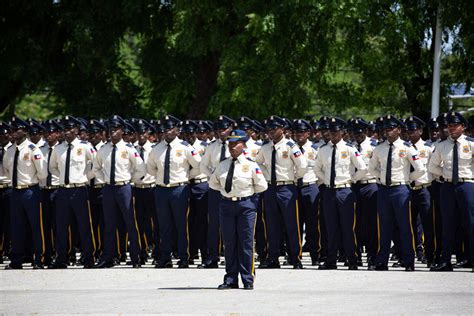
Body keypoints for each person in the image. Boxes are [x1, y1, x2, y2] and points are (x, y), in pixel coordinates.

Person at [209, 129, 267, 289]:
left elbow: (262, 186)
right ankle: (231, 278)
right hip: (227, 205)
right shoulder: (222, 165)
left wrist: (248, 198)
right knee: (229, 242)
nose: (232, 147)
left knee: (246, 242)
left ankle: (248, 278)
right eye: (230, 144)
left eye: (236, 144)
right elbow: (213, 183)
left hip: (245, 206)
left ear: (243, 145)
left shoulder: (251, 165)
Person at [368, 115, 425, 271]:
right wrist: (380, 178)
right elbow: (371, 168)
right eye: (386, 129)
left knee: (405, 226)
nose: (388, 132)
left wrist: (407, 179)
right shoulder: (379, 148)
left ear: (399, 130)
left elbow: (420, 169)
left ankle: (409, 261)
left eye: (391, 128)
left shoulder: (407, 147)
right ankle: (382, 261)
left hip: (401, 190)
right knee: (384, 227)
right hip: (384, 189)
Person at [147, 115, 201, 268]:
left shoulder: (185, 147)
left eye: (171, 128)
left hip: (179, 189)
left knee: (181, 225)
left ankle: (184, 257)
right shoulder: (156, 149)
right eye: (165, 129)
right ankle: (165, 257)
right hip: (161, 190)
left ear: (177, 130)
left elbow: (198, 166)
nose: (167, 131)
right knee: (164, 225)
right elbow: (151, 168)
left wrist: (186, 176)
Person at [93, 115, 146, 268]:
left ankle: (136, 258)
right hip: (109, 188)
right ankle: (108, 258)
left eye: (115, 129)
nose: (112, 132)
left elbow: (140, 168)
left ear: (122, 131)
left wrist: (130, 180)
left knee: (130, 223)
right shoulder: (104, 149)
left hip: (124, 188)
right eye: (110, 129)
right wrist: (104, 180)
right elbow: (96, 168)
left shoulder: (129, 149)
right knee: (109, 224)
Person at [314, 117, 367, 270]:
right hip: (329, 191)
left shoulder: (349, 149)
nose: (334, 134)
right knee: (331, 227)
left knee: (347, 227)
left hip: (345, 190)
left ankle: (352, 259)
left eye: (337, 131)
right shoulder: (323, 150)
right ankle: (331, 260)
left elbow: (362, 168)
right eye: (331, 131)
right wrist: (326, 181)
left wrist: (351, 180)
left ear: (343, 132)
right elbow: (317, 169)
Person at [256, 115, 307, 269]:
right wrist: (265, 174)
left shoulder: (290, 146)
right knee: (271, 224)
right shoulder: (265, 147)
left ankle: (295, 258)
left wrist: (294, 178)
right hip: (270, 188)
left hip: (287, 188)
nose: (271, 132)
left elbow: (302, 165)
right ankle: (273, 258)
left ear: (282, 129)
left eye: (274, 129)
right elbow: (257, 163)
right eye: (269, 129)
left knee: (292, 223)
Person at [49, 116, 96, 269]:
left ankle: (89, 258)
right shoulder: (58, 148)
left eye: (69, 129)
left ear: (76, 131)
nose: (66, 132)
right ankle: (61, 258)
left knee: (84, 225)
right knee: (61, 225)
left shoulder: (85, 146)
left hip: (80, 189)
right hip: (63, 190)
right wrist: (61, 178)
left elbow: (96, 164)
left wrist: (85, 177)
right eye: (64, 130)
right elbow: (52, 167)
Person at [429, 111, 474, 272]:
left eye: (455, 125)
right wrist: (446, 174)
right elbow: (432, 166)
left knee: (471, 223)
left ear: (463, 127)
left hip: (467, 185)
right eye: (449, 126)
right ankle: (445, 261)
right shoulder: (442, 146)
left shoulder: (471, 144)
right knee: (447, 224)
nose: (452, 128)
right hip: (447, 186)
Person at [3, 117, 47, 269]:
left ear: (25, 131)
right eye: (12, 130)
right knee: (17, 227)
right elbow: (7, 170)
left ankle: (38, 259)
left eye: (17, 130)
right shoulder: (9, 151)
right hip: (15, 191)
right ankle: (16, 260)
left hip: (30, 190)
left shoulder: (32, 149)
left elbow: (42, 172)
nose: (14, 133)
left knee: (36, 226)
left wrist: (33, 184)